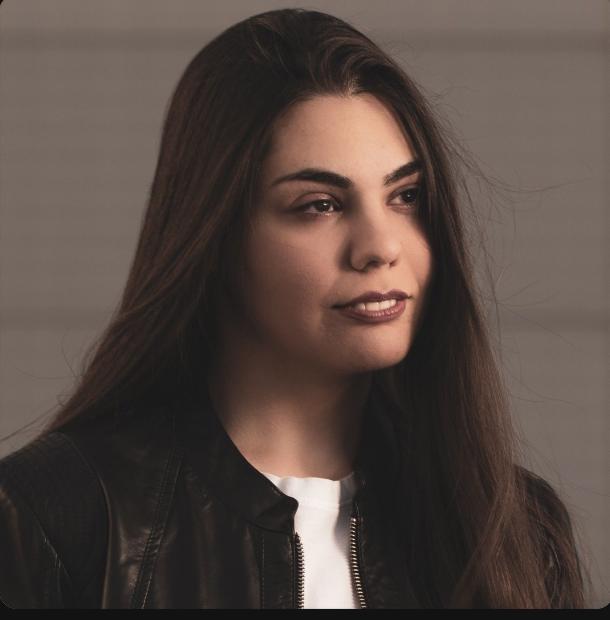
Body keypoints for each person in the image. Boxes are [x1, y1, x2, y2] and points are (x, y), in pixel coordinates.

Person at [0, 8, 589, 609]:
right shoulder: (51, 519)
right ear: (214, 235)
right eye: (320, 205)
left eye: (406, 195)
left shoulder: (519, 531)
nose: (381, 247)